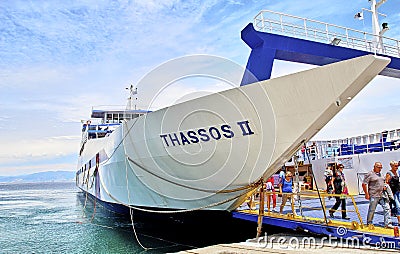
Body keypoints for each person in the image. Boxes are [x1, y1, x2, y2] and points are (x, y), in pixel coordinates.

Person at [362, 162, 393, 228]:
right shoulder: (370, 174)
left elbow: (384, 181)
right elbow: (364, 184)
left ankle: (388, 223)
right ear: (374, 167)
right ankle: (369, 222)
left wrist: (384, 186)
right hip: (374, 194)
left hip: (382, 194)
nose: (380, 169)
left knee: (387, 208)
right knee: (372, 209)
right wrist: (366, 194)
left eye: (381, 167)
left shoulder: (381, 174)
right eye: (378, 167)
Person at [386, 160, 400, 225]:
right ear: (391, 166)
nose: (397, 167)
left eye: (397, 166)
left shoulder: (396, 173)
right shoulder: (389, 173)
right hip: (393, 192)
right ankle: (399, 221)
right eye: (395, 166)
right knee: (398, 206)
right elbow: (386, 183)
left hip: (398, 191)